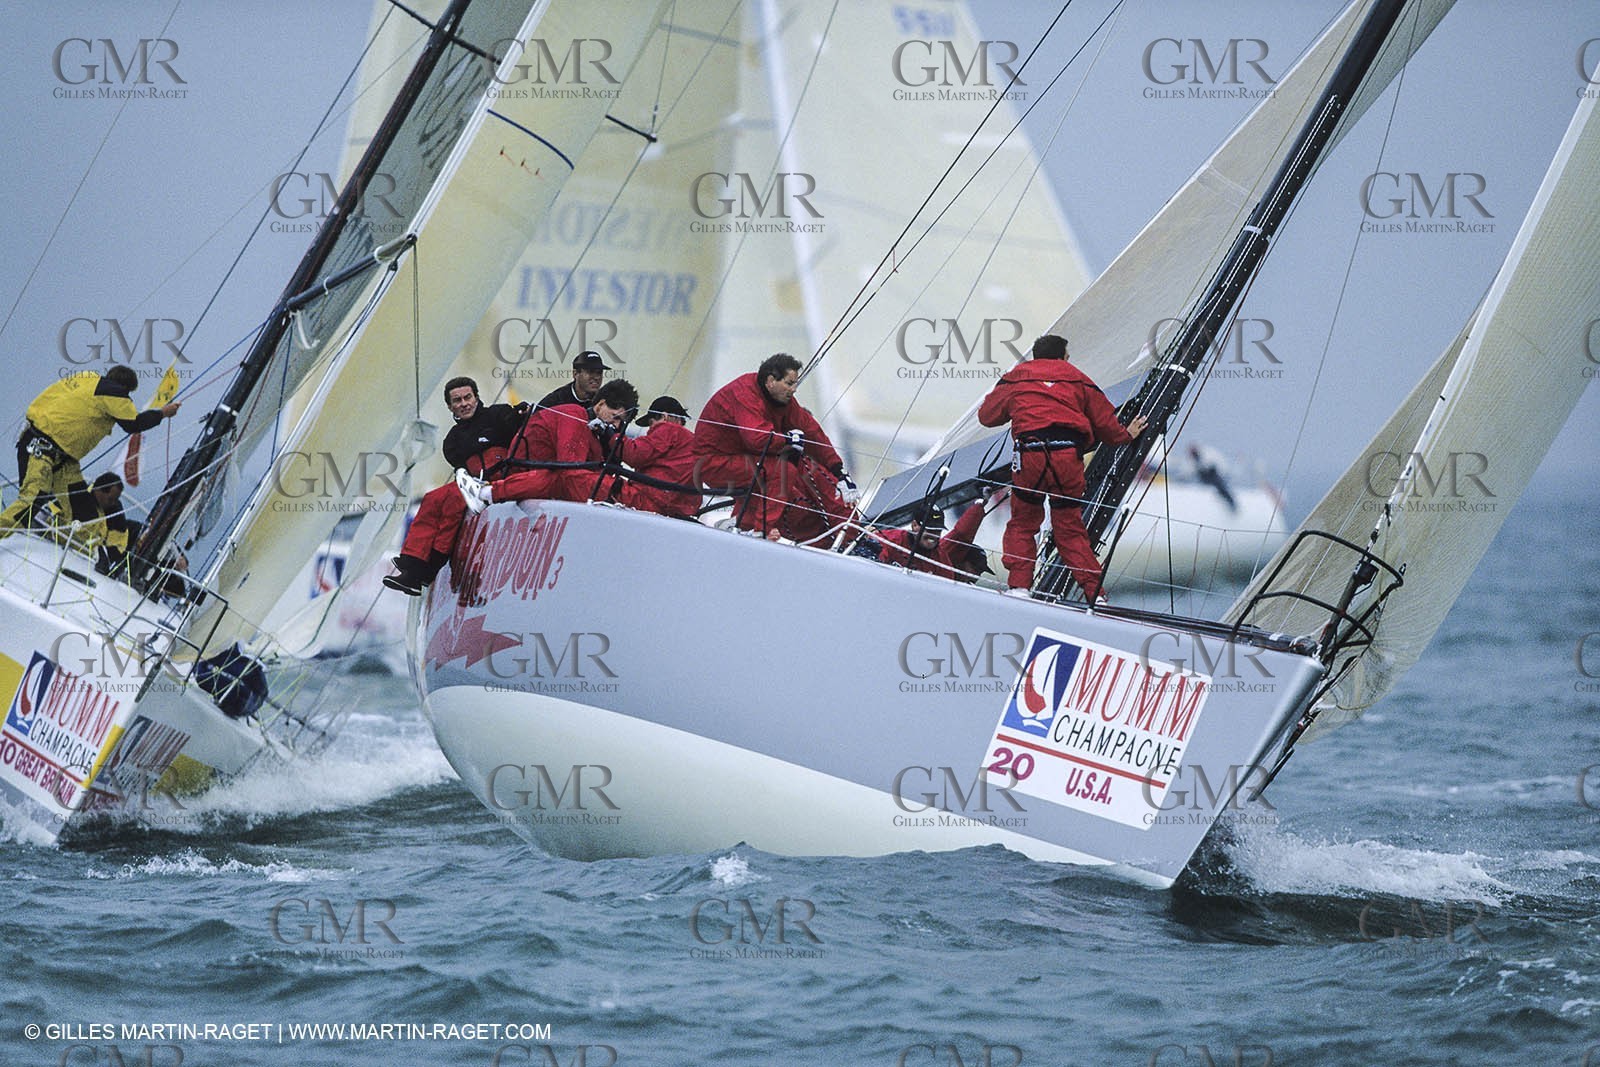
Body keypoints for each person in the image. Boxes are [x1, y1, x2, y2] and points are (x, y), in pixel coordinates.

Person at [977, 334, 1147, 602]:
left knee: (1022, 524)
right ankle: (1095, 595)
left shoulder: (1016, 376)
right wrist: (1126, 434)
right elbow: (1105, 422)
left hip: (1030, 456)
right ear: (1063, 356)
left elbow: (987, 417)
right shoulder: (1077, 377)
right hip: (1067, 458)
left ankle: (1019, 589)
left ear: (1035, 355)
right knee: (1070, 529)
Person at [694, 353, 858, 543]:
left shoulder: (784, 401)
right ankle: (760, 531)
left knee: (778, 472)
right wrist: (788, 440)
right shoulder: (744, 392)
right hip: (714, 463)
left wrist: (839, 471)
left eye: (795, 383)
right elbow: (755, 438)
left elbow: (812, 432)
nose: (794, 389)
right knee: (781, 470)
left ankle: (742, 525)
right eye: (789, 383)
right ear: (771, 381)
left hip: (746, 462)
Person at [384, 377, 526, 595]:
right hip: (472, 480)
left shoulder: (499, 415)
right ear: (450, 407)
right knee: (432, 499)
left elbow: (519, 430)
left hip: (501, 477)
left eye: (468, 397)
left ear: (477, 397)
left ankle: (430, 565)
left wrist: (521, 415)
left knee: (453, 501)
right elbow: (462, 467)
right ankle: (411, 561)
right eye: (457, 400)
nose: (464, 404)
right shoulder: (452, 440)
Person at [0, 366, 180, 538]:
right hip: (42, 451)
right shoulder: (114, 392)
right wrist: (163, 413)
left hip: (53, 454)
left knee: (85, 516)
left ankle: (65, 546)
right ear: (125, 388)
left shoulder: (85, 378)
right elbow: (133, 423)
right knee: (32, 501)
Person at [459, 379, 639, 513]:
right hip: (526, 474)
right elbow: (571, 470)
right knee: (561, 478)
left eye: (620, 422)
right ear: (601, 404)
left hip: (538, 477)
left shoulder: (593, 434)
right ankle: (485, 493)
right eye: (615, 417)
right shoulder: (574, 416)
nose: (616, 426)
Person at [615, 395, 699, 520]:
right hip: (677, 512)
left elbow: (635, 455)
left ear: (664, 417)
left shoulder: (668, 429)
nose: (650, 430)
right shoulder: (693, 442)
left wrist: (612, 435)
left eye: (651, 423)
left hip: (648, 502)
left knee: (594, 483)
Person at [874, 497, 994, 584]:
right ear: (915, 525)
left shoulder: (941, 559)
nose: (934, 536)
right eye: (930, 529)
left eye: (938, 531)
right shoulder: (889, 540)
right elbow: (962, 534)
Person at [534, 350, 608, 412]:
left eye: (599, 372)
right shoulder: (554, 402)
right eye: (590, 372)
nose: (596, 377)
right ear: (575, 374)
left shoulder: (605, 401)